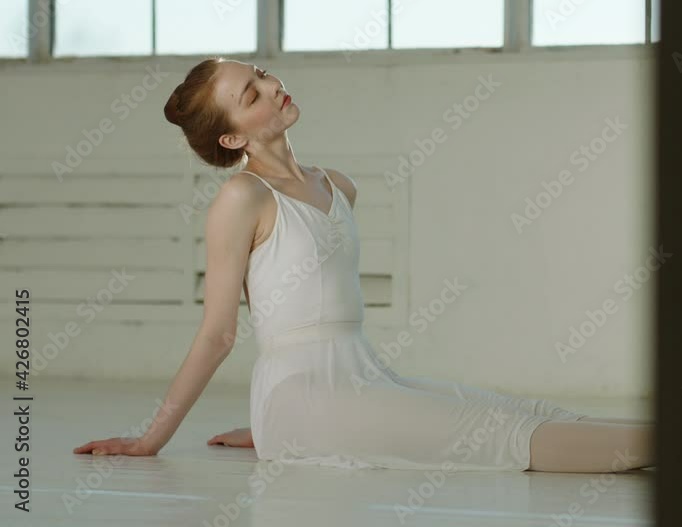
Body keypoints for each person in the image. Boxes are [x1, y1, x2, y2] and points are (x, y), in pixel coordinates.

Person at [73, 57, 652, 473]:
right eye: (251, 96)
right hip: (306, 397)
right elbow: (219, 333)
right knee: (498, 435)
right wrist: (151, 439)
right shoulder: (241, 199)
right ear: (231, 140)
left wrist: (278, 422)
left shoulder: (337, 186)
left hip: (362, 377)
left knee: (521, 409)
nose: (272, 86)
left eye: (262, 75)